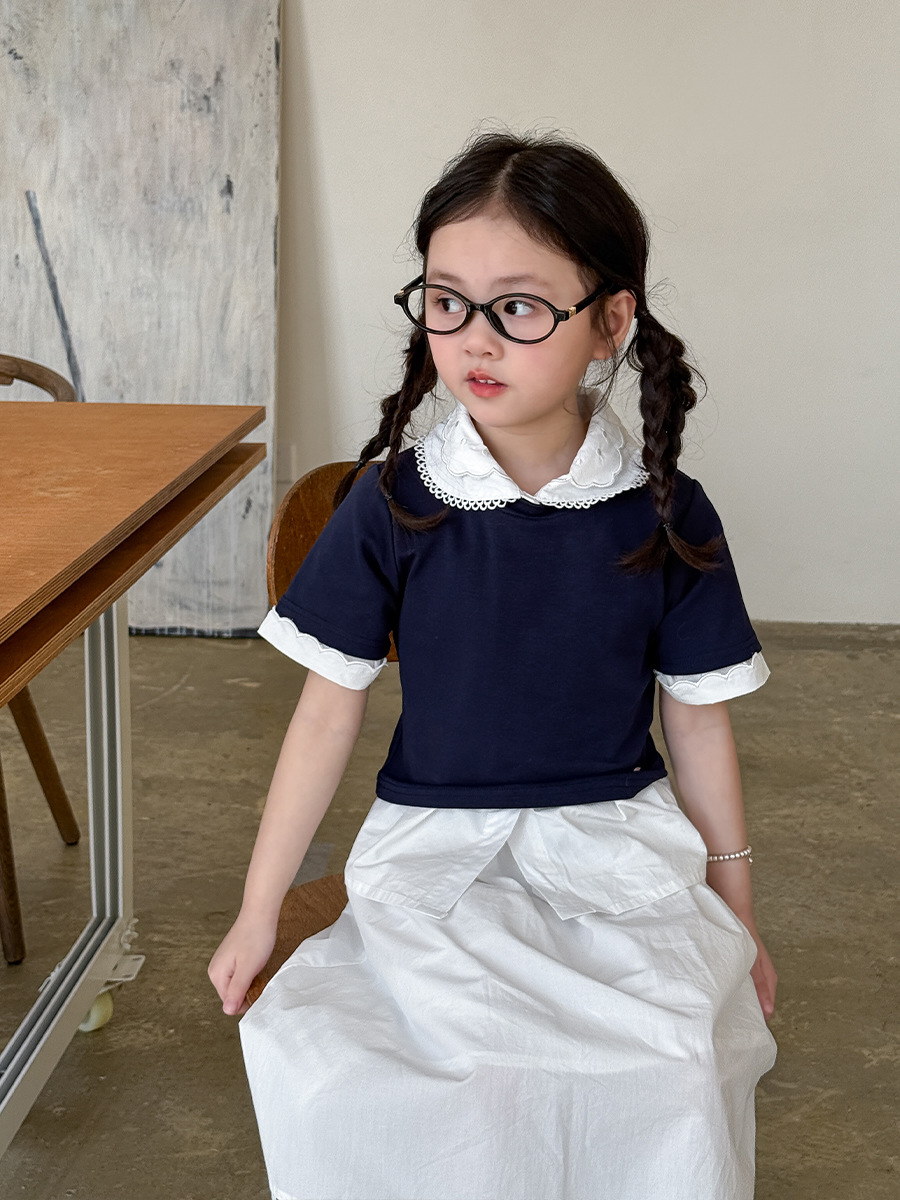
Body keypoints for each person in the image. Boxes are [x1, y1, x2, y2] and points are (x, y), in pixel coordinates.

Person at [208, 129, 778, 1200]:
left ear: (611, 322)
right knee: (398, 1077)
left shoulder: (667, 517)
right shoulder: (393, 506)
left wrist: (737, 915)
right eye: (446, 301)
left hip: (616, 849)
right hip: (434, 853)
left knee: (674, 1063)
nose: (475, 338)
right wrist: (259, 906)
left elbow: (698, 723)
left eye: (518, 306)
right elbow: (326, 716)